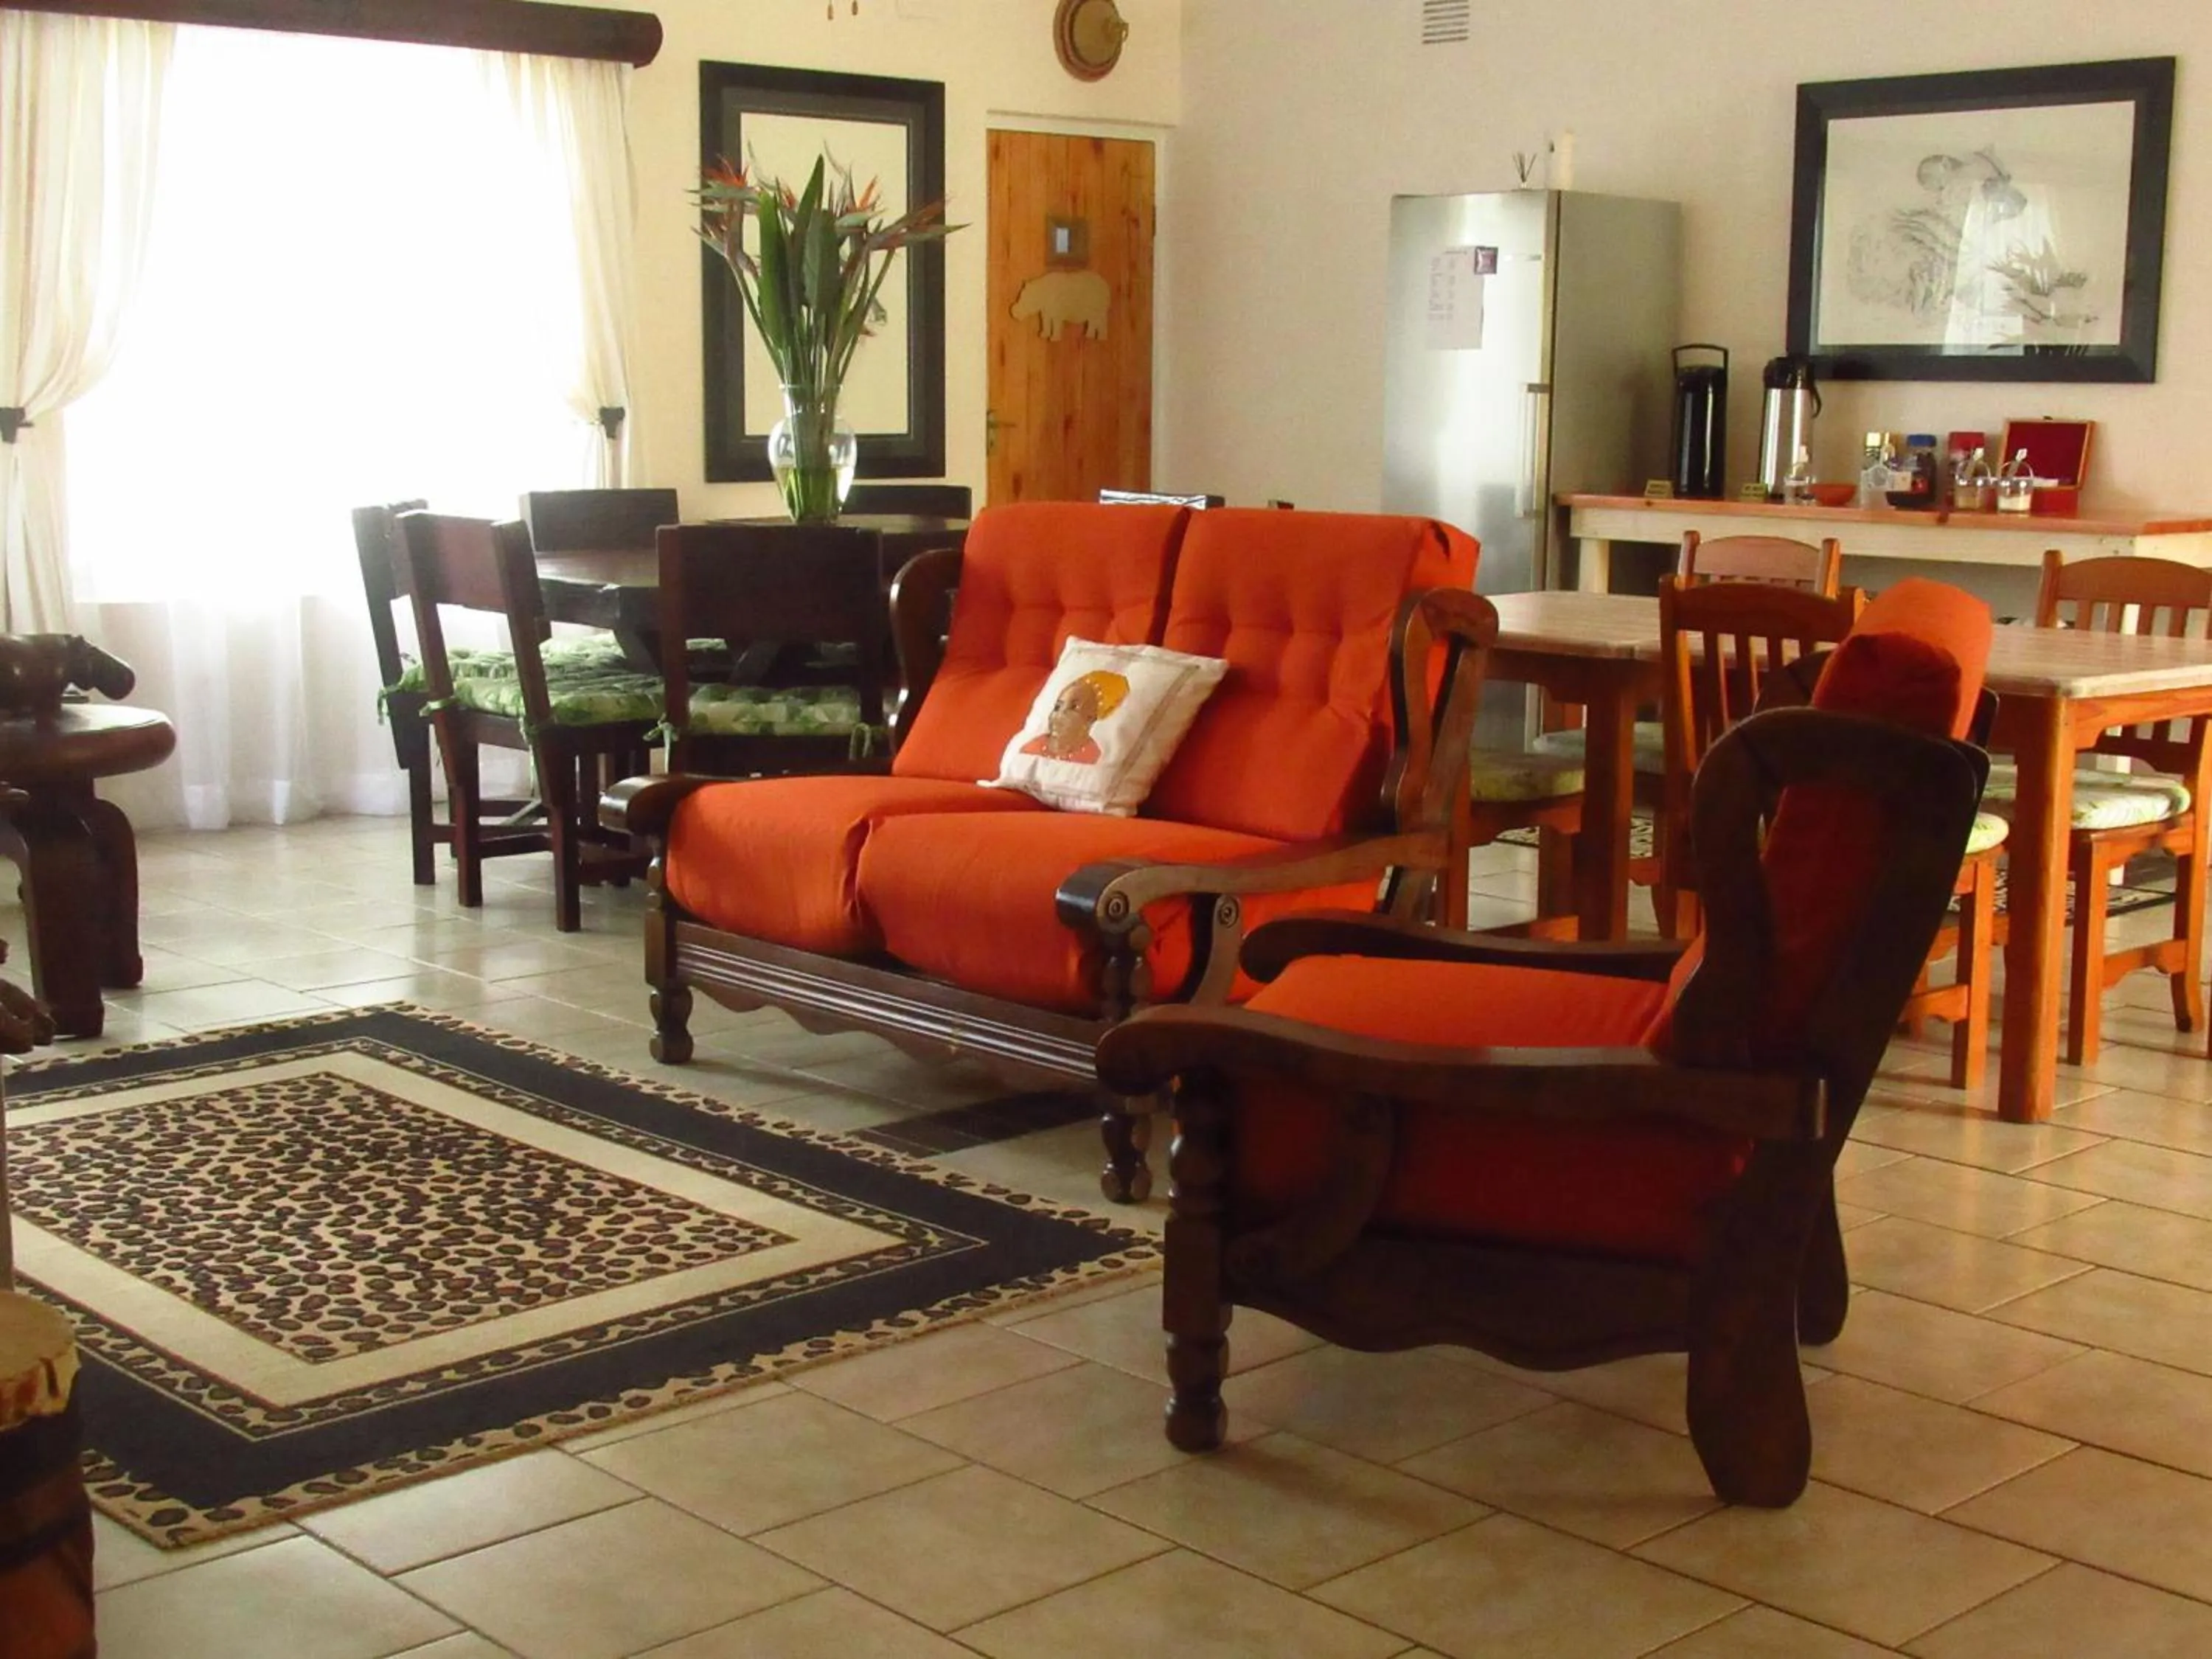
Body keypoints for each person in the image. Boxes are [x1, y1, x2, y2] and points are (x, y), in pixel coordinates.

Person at [1019, 669, 1129, 765]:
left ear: (1091, 718)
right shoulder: (1036, 745)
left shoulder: (1092, 755)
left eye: (1073, 708)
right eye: (1058, 707)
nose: (1058, 716)